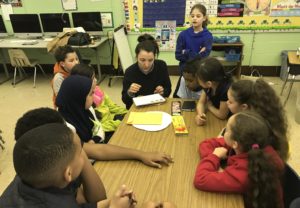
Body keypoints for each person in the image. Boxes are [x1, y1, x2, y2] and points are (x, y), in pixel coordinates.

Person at [56, 75, 173, 168]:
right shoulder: (65, 127)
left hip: (98, 149)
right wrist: (142, 155)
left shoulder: (85, 108)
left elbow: (98, 129)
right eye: (91, 94)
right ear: (78, 97)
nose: (94, 97)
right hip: (86, 165)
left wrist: (93, 141)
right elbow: (95, 152)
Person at [13, 107, 107, 204]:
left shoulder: (44, 168)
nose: (71, 130)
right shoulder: (58, 166)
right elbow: (97, 199)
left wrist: (78, 150)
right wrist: (78, 152)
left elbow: (91, 202)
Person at [194, 111, 284, 208]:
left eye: (227, 129)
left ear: (235, 143)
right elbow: (206, 144)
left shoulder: (245, 173)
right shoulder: (251, 145)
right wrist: (216, 160)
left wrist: (214, 157)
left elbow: (201, 179)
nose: (224, 130)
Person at [226, 79, 289, 161]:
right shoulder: (255, 121)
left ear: (244, 107)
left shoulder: (252, 132)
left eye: (230, 101)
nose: (226, 103)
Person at [71, 63, 128, 135]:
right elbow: (96, 129)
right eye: (92, 78)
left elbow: (112, 106)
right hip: (105, 131)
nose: (96, 80)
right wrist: (120, 123)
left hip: (112, 121)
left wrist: (128, 113)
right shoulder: (83, 102)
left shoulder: (97, 90)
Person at [122, 34, 172, 109]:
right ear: (136, 57)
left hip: (157, 106)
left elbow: (168, 89)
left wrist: (162, 92)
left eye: (150, 60)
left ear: (154, 57)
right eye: (142, 60)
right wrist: (130, 92)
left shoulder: (161, 66)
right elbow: (125, 100)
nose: (146, 65)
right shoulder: (130, 72)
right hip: (138, 110)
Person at [175, 3, 213, 74]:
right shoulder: (183, 35)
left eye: (198, 16)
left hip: (200, 72)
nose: (194, 18)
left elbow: (204, 57)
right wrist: (197, 55)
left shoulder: (208, 36)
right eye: (192, 16)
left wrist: (186, 52)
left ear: (204, 18)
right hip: (185, 71)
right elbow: (178, 55)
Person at [194, 57, 232, 125]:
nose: (198, 82)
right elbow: (201, 103)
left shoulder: (226, 90)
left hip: (228, 121)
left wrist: (209, 106)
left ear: (209, 83)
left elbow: (222, 115)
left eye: (199, 79)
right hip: (216, 115)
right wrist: (200, 115)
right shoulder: (209, 85)